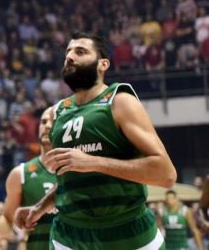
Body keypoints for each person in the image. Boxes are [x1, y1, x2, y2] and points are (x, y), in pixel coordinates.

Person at [15, 33, 177, 250]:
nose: (70, 57)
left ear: (103, 64)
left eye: (80, 52)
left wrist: (92, 162)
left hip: (127, 233)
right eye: (68, 52)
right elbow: (68, 180)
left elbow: (166, 174)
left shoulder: (120, 101)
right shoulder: (59, 111)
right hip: (69, 236)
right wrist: (39, 208)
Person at [0, 107, 56, 250]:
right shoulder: (20, 174)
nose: (47, 125)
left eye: (53, 121)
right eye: (43, 121)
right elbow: (7, 218)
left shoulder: (77, 170)